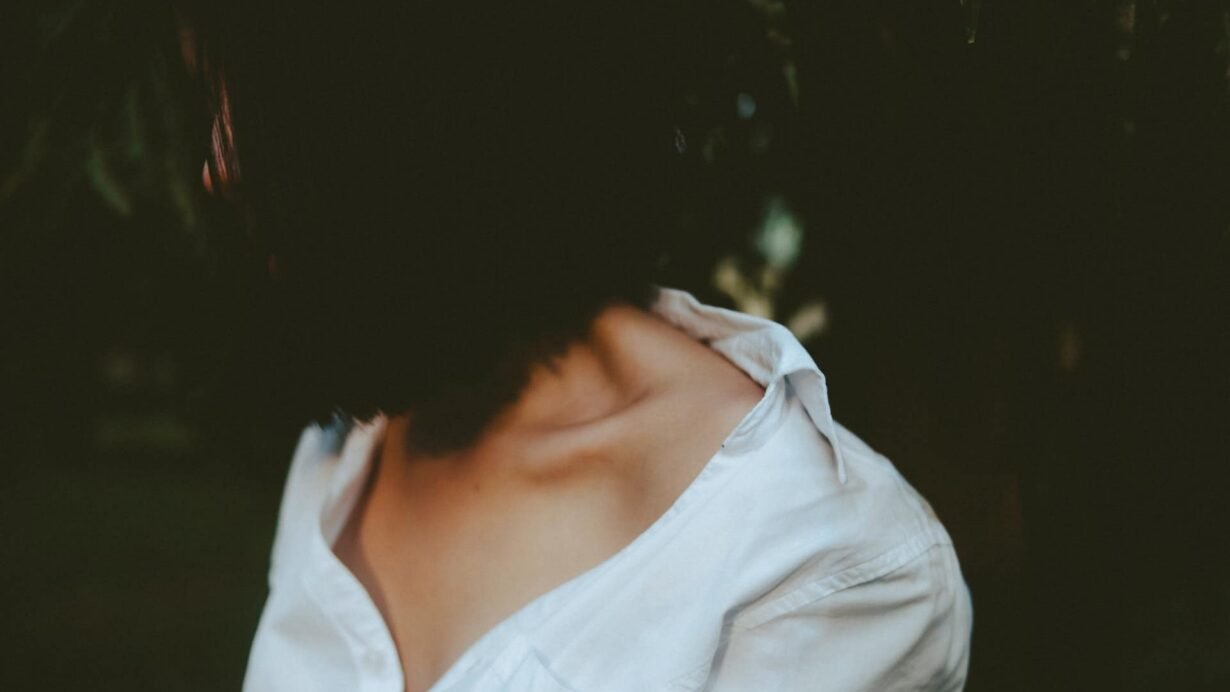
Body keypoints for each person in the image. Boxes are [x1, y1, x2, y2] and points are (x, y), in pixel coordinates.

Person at [186, 2, 972, 689]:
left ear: (412, 103)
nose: (218, 164)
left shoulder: (822, 563)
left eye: (262, 99)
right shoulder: (343, 454)